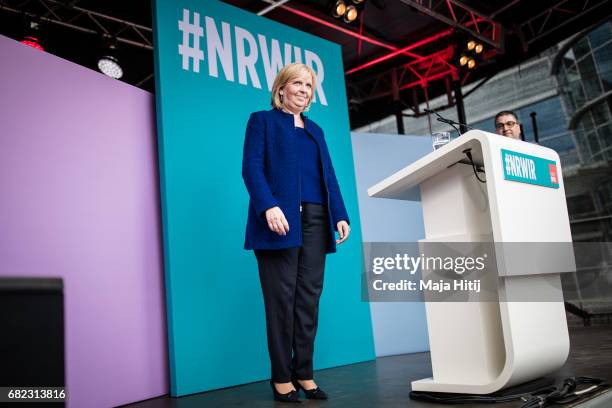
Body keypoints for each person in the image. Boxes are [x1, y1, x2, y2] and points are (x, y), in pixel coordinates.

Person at [241, 63, 351, 403]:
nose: (304, 89)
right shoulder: (262, 121)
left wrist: (340, 215)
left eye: (309, 85)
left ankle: (304, 373)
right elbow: (251, 168)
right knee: (280, 303)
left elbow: (328, 175)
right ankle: (280, 378)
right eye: (298, 83)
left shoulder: (316, 130)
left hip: (317, 222)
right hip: (278, 222)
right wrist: (268, 206)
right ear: (282, 88)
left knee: (308, 302)